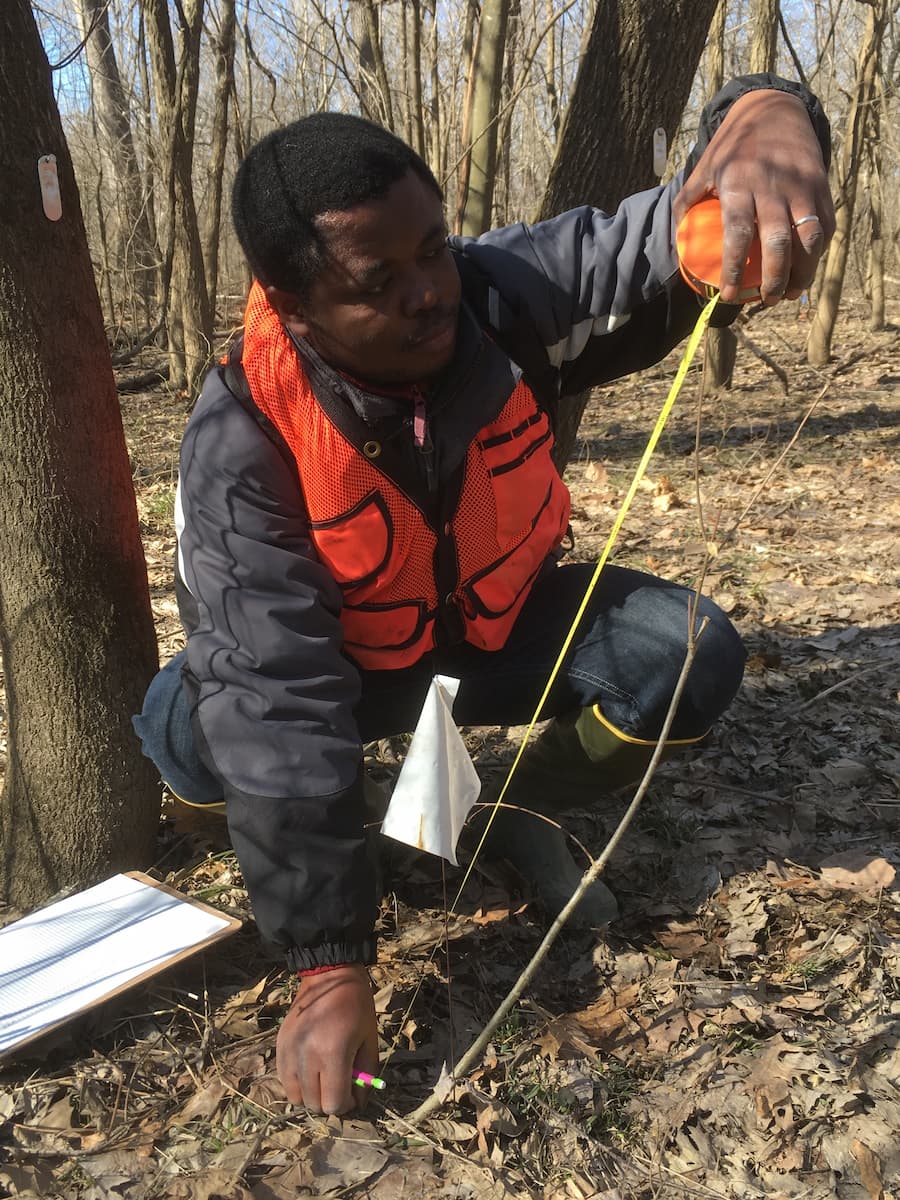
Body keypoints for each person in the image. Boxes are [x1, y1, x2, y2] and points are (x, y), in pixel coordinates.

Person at [135, 73, 832, 1116]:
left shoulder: (500, 290)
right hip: (346, 671)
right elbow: (274, 689)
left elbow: (652, 235)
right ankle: (343, 830)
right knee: (192, 732)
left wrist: (771, 113)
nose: (431, 292)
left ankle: (513, 808)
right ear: (293, 301)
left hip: (492, 637)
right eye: (382, 278)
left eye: (434, 250)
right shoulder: (240, 439)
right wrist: (330, 960)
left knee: (683, 651)